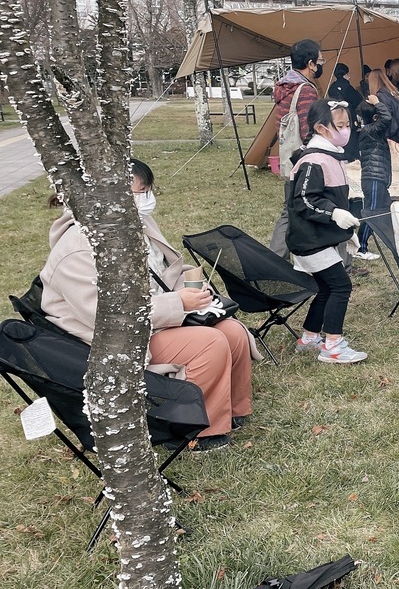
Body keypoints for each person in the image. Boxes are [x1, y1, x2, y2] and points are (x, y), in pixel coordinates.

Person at [40, 160, 255, 451]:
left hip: (152, 319)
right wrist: (177, 302)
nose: (145, 199)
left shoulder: (133, 223)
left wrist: (190, 287)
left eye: (146, 191)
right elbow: (107, 317)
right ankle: (196, 430)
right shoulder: (77, 248)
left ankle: (233, 409)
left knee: (232, 330)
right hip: (111, 341)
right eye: (138, 192)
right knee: (209, 342)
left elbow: (166, 270)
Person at [288, 99, 368, 364]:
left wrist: (344, 228)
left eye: (348, 125)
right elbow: (303, 200)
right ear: (322, 128)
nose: (346, 130)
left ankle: (309, 337)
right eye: (341, 125)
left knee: (325, 288)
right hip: (309, 240)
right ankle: (332, 345)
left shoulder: (331, 156)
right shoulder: (313, 161)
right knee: (340, 286)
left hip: (320, 237)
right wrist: (334, 214)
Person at [269, 39, 324, 256]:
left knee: (292, 209)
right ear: (310, 64)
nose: (320, 65)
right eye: (320, 61)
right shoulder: (305, 90)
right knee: (315, 207)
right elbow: (306, 129)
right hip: (304, 158)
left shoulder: (285, 87)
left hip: (290, 156)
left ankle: (275, 259)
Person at [354, 92, 393, 257]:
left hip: (377, 177)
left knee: (386, 209)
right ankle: (360, 247)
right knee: (373, 213)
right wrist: (377, 102)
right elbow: (388, 118)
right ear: (375, 117)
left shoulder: (368, 131)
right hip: (374, 178)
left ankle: (394, 240)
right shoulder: (371, 131)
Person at [327, 62, 363, 162]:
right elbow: (358, 100)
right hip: (349, 118)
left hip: (335, 118)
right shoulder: (347, 87)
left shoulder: (332, 87)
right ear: (346, 74)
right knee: (351, 143)